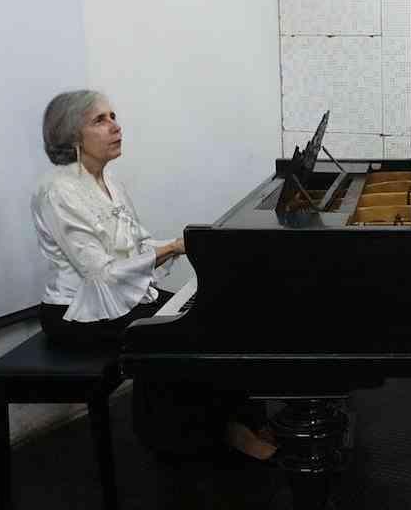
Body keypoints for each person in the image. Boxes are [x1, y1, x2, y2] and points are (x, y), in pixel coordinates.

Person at [32, 90, 276, 461]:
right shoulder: (57, 191)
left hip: (122, 299)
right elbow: (99, 274)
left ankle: (240, 421)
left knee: (220, 314)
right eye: (100, 120)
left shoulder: (110, 182)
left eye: (113, 116)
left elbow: (139, 247)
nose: (115, 126)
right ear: (71, 135)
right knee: (176, 333)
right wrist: (174, 247)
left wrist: (195, 244)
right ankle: (200, 434)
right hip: (77, 312)